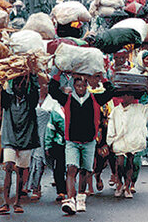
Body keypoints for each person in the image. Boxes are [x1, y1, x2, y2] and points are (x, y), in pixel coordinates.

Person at [49, 72, 114, 215]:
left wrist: (102, 76)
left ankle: (80, 198)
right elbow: (52, 91)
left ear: (87, 86)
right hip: (72, 141)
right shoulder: (67, 99)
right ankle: (70, 200)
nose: (81, 88)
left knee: (85, 170)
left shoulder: (95, 99)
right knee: (71, 169)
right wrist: (58, 73)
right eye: (78, 86)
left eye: (83, 86)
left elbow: (111, 92)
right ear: (74, 86)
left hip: (89, 141)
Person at [0, 75, 40, 215]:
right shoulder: (7, 101)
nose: (19, 86)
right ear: (12, 86)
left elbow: (36, 87)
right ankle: (5, 202)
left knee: (20, 171)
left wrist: (32, 73)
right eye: (16, 84)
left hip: (26, 140)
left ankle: (17, 202)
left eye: (22, 84)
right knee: (8, 167)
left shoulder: (31, 100)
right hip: (10, 138)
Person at [107, 91, 148, 198]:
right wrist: (109, 141)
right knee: (120, 164)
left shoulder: (139, 109)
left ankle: (127, 186)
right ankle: (120, 183)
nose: (126, 97)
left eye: (129, 95)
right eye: (124, 95)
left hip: (133, 140)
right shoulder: (116, 111)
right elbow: (111, 126)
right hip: (119, 141)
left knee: (130, 163)